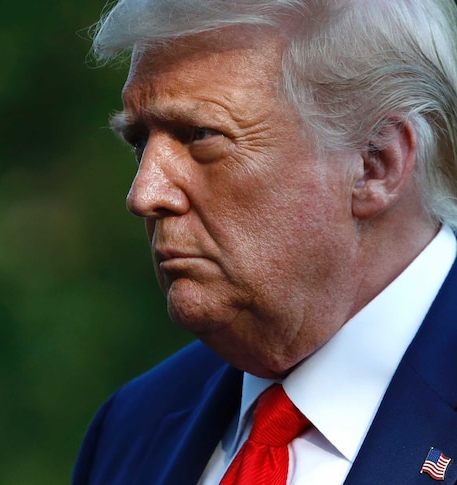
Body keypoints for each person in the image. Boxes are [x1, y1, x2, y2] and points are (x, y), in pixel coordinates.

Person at [73, 0, 457, 483]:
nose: (144, 195)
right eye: (139, 143)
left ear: (374, 163)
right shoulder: (130, 427)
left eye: (200, 135)